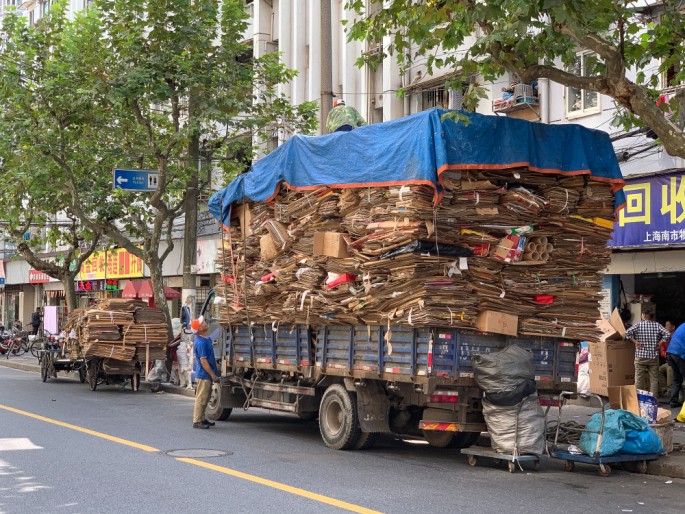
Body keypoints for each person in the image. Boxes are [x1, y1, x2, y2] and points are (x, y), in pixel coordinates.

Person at [625, 310, 670, 398]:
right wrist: (660, 343)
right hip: (653, 357)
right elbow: (667, 334)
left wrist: (635, 342)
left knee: (639, 379)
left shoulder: (638, 325)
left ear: (644, 315)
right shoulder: (657, 325)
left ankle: (639, 399)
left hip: (640, 357)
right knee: (654, 380)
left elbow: (627, 333)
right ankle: (653, 400)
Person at [191, 316, 219, 429]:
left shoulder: (206, 339)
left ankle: (202, 419)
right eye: (202, 323)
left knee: (206, 398)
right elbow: (203, 361)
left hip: (207, 374)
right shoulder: (200, 342)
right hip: (203, 374)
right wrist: (212, 375)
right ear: (200, 329)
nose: (205, 323)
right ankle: (196, 421)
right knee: (201, 398)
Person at [666, 322, 685, 408]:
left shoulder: (682, 325)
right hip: (679, 354)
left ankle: (673, 401)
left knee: (677, 378)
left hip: (670, 352)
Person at [658, 321, 676, 396]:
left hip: (676, 361)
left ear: (673, 327)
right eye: (665, 325)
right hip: (668, 360)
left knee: (669, 369)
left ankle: (670, 389)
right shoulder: (665, 338)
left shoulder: (676, 337)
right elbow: (662, 350)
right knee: (658, 369)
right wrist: (666, 355)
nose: (665, 327)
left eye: (667, 325)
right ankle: (664, 389)